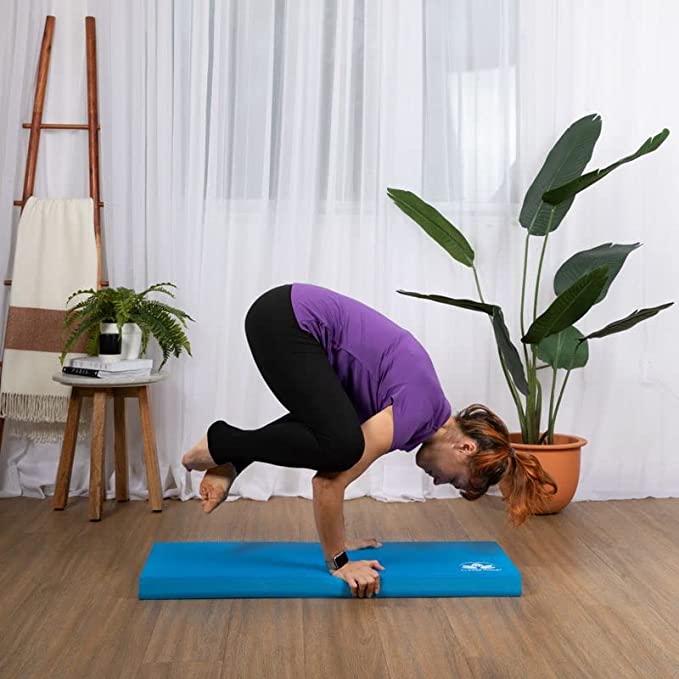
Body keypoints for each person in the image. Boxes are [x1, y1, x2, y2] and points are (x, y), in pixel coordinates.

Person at [182, 282, 557, 598]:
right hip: (287, 320)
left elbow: (307, 430)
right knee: (342, 447)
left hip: (285, 315)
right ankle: (222, 441)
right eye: (455, 479)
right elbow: (329, 480)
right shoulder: (413, 412)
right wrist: (340, 562)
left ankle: (230, 458)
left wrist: (340, 537)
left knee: (335, 436)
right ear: (465, 447)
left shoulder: (416, 408)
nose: (439, 482)